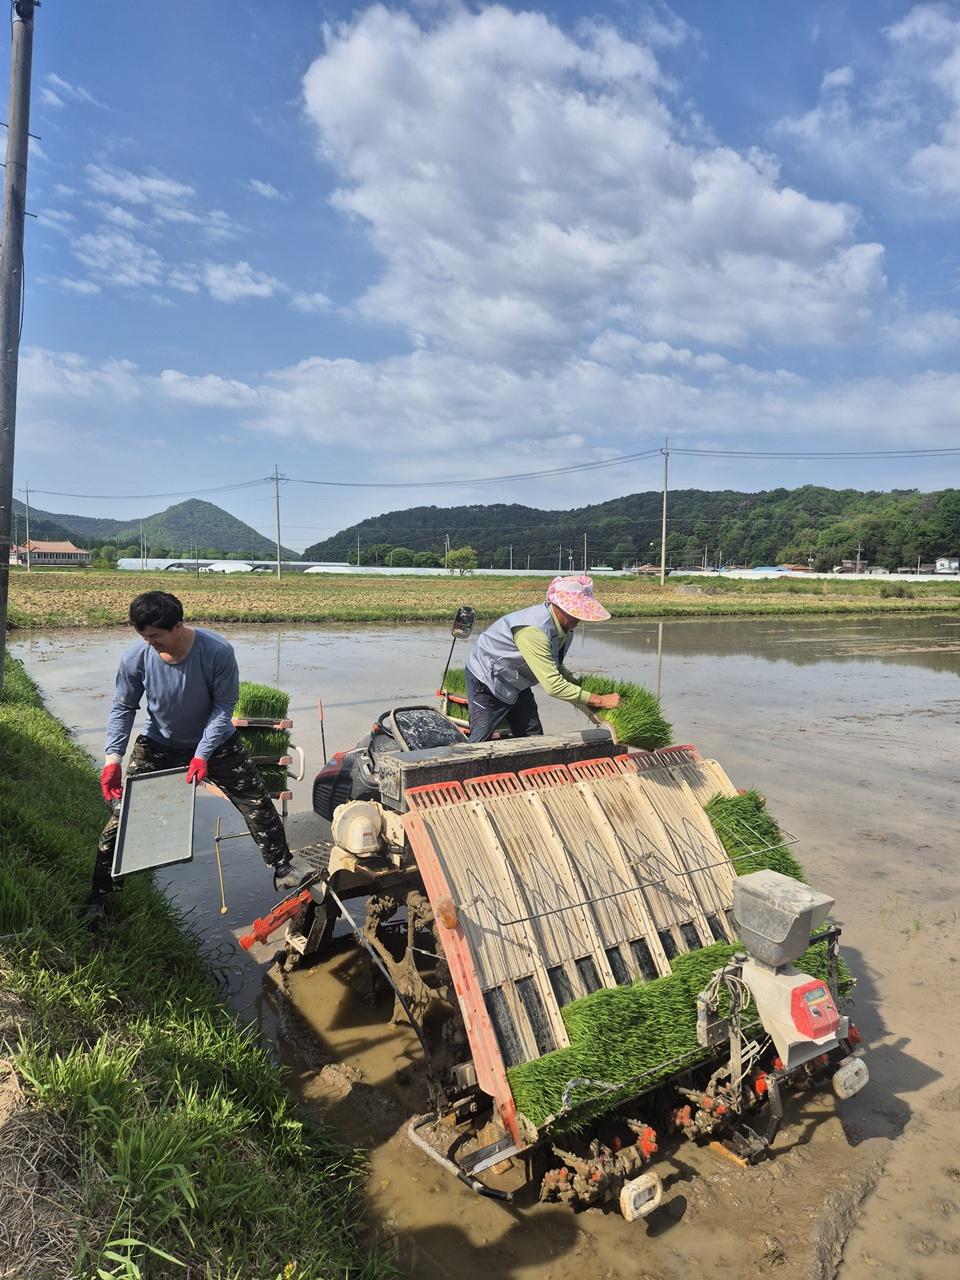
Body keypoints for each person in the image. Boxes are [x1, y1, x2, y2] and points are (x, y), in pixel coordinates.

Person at [87, 591, 297, 923]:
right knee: (124, 818)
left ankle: (282, 866)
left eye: (155, 636)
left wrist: (202, 754)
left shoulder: (216, 652)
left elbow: (223, 708)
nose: (150, 643)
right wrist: (113, 757)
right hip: (160, 744)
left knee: (256, 802)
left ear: (178, 626)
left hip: (218, 745)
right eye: (144, 637)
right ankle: (99, 895)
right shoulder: (136, 658)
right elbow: (123, 707)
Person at [464, 574, 621, 743]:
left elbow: (554, 666)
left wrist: (579, 687)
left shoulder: (565, 629)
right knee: (480, 738)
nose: (578, 617)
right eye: (573, 611)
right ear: (557, 605)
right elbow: (553, 686)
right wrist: (600, 700)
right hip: (487, 680)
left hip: (517, 680)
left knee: (532, 737)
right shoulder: (534, 631)